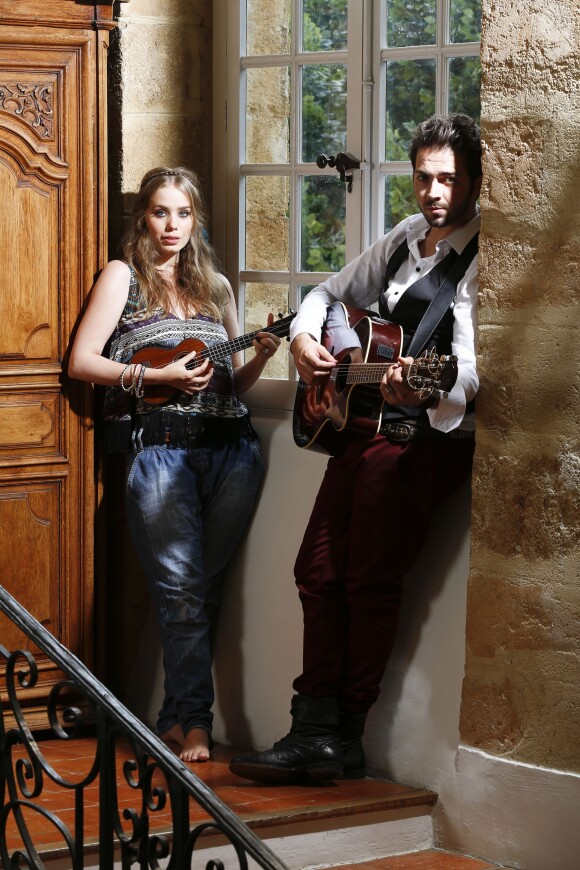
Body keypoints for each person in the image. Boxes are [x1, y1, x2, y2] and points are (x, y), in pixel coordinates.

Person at [229, 113, 481, 784]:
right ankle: (308, 727)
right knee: (316, 572)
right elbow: (329, 295)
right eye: (424, 177)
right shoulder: (403, 239)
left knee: (368, 583)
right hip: (362, 431)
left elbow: (471, 374)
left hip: (418, 443)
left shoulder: (484, 258)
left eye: (448, 180)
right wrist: (311, 343)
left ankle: (343, 736)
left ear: (475, 180)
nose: (433, 192)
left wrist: (422, 391)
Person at [69, 167, 281, 762]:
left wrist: (261, 358)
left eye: (183, 214)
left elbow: (231, 385)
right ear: (143, 216)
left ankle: (171, 716)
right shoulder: (123, 277)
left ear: (196, 220)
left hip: (232, 449)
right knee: (183, 592)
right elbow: (82, 361)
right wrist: (153, 376)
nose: (172, 226)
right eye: (161, 213)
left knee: (201, 591)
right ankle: (195, 724)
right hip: (157, 449)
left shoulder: (215, 286)